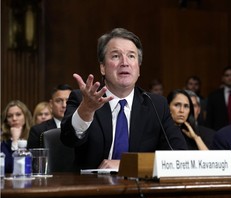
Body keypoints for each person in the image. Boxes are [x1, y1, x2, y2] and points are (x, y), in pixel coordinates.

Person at [60, 28, 187, 171]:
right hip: (92, 188)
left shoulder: (156, 105)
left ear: (138, 68)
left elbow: (178, 155)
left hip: (140, 189)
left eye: (131, 56)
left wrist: (127, 165)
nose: (125, 62)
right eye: (115, 56)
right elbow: (68, 139)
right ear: (102, 67)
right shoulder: (84, 100)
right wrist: (86, 111)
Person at [27, 84, 72, 148]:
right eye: (59, 101)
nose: (64, 105)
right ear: (51, 104)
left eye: (68, 101)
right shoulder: (38, 130)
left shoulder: (82, 127)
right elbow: (34, 156)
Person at [205, 66, 231, 130]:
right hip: (219, 131)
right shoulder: (214, 96)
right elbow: (209, 118)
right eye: (227, 75)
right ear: (223, 78)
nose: (230, 78)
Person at [1, 100, 32, 173]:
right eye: (9, 116)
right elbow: (8, 168)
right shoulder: (4, 141)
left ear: (25, 117)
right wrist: (15, 141)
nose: (14, 119)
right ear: (6, 121)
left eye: (18, 114)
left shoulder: (33, 136)